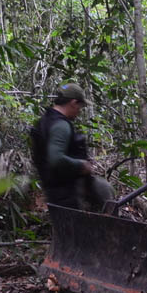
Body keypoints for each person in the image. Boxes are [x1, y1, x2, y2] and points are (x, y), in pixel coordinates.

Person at [33, 82, 113, 210]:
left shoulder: (44, 121)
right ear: (74, 103)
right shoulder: (61, 126)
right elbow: (56, 158)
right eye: (80, 107)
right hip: (68, 193)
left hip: (53, 191)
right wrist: (82, 165)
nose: (79, 111)